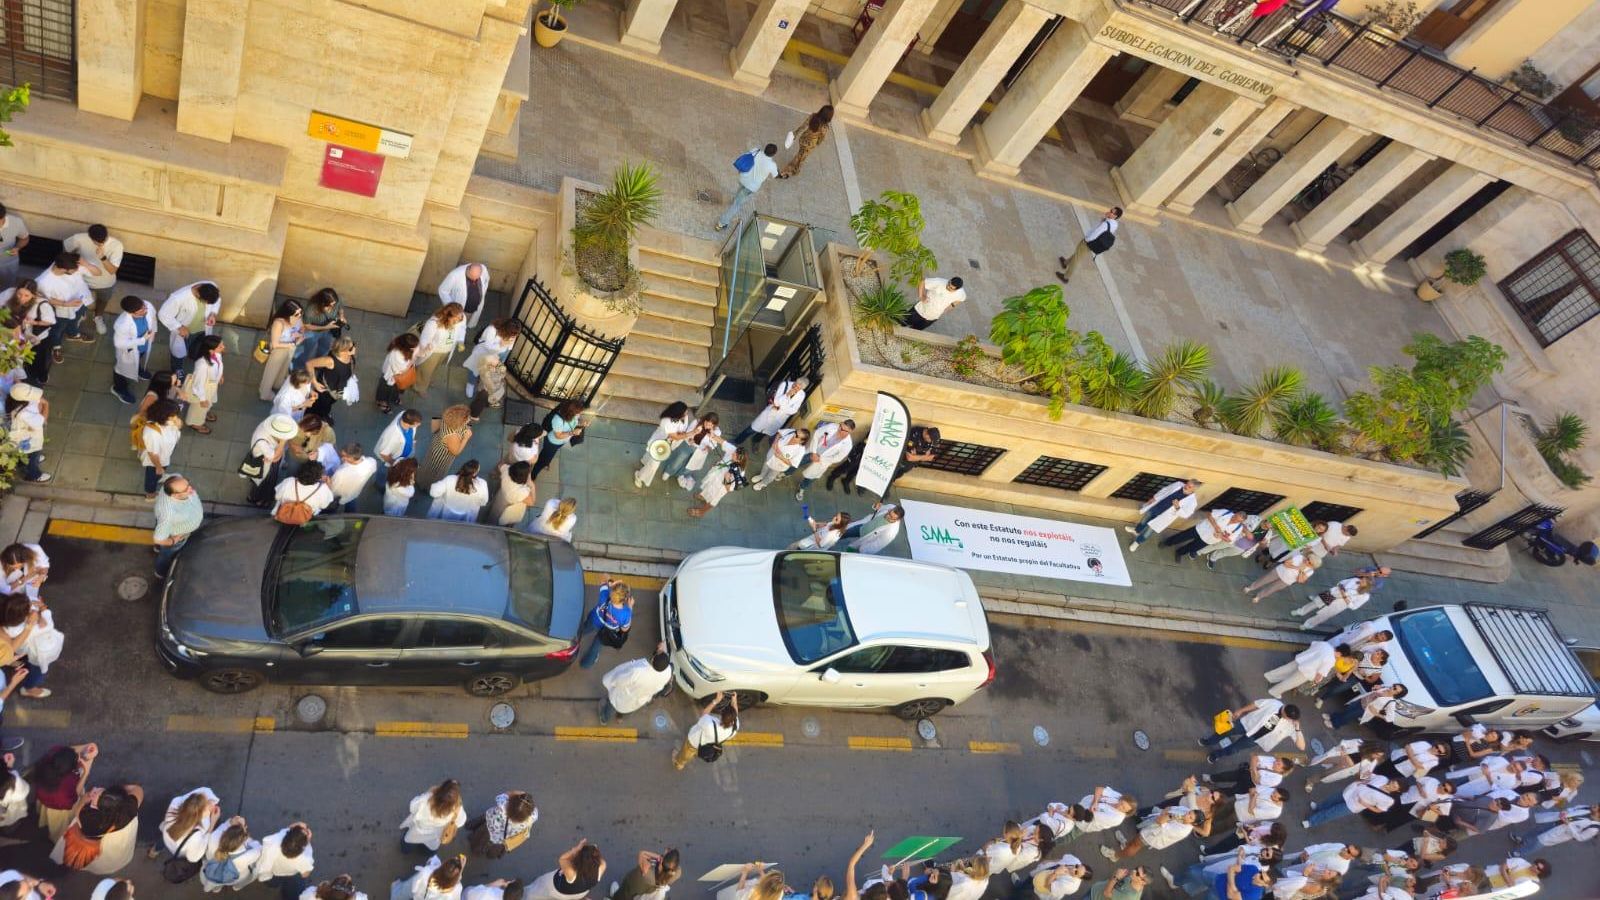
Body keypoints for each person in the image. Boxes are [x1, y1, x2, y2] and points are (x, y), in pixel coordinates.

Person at [50, 782, 143, 874]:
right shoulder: (125, 814)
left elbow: (79, 807)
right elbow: (138, 790)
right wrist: (123, 788)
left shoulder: (87, 817)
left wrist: (87, 797)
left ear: (96, 805)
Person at [37, 250, 95, 367]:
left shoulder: (65, 264)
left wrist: (85, 263)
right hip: (62, 310)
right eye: (74, 270)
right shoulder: (44, 282)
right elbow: (46, 299)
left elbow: (96, 273)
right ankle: (56, 347)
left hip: (79, 302)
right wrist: (66, 304)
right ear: (65, 270)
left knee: (75, 320)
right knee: (57, 329)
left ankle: (73, 334)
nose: (77, 271)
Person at [1201, 699, 1304, 764]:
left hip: (1256, 739)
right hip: (1247, 724)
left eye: (1287, 718)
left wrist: (1298, 729)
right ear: (1285, 709)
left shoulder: (1290, 726)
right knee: (1225, 731)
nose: (1285, 718)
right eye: (1284, 714)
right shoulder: (1274, 703)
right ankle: (1209, 741)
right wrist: (1241, 711)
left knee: (1234, 749)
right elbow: (1256, 704)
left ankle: (1216, 755)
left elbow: (1301, 747)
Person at [63, 225, 122, 335]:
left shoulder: (116, 245)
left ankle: (98, 317)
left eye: (103, 241)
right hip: (82, 281)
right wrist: (74, 263)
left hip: (105, 283)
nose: (100, 244)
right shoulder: (79, 238)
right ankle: (81, 314)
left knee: (102, 300)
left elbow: (112, 270)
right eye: (96, 242)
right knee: (79, 301)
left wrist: (103, 258)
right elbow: (66, 249)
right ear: (90, 237)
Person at [157, 281, 221, 376]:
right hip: (185, 332)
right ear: (198, 295)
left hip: (203, 329)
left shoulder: (211, 286)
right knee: (178, 354)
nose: (207, 305)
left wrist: (213, 314)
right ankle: (177, 370)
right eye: (206, 303)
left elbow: (217, 300)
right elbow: (163, 314)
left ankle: (193, 356)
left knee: (197, 348)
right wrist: (179, 327)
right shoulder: (178, 297)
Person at [600, 642, 673, 724]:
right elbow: (663, 661)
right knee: (628, 709)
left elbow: (619, 681)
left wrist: (611, 682)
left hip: (623, 696)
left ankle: (604, 719)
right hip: (639, 700)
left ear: (652, 660)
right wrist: (661, 650)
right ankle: (619, 718)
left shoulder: (638, 672)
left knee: (612, 705)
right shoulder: (668, 672)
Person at [717, 143, 779, 232]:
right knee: (736, 205)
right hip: (751, 187)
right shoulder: (772, 165)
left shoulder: (756, 150)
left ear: (765, 148)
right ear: (774, 154)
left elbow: (745, 157)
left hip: (743, 178)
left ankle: (735, 199)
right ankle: (721, 223)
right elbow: (776, 175)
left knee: (740, 191)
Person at [1303, 772, 1399, 829]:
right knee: (1331, 801)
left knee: (1331, 813)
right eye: (1393, 782)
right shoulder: (1383, 779)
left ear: (1397, 790)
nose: (1391, 785)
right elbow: (1369, 776)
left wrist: (1366, 804)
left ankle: (1312, 822)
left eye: (1394, 786)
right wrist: (1364, 777)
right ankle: (1319, 808)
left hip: (1354, 805)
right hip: (1351, 791)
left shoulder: (1389, 800)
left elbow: (1379, 810)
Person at [1263, 641, 1357, 698]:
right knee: (1289, 683)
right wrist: (1316, 681)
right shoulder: (1331, 660)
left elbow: (1313, 645)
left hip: (1302, 659)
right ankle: (1274, 691)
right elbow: (1320, 673)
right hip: (1307, 672)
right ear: (1341, 654)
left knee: (1284, 670)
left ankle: (1270, 676)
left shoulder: (1325, 645)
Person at [731, 377, 808, 447]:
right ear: (795, 381)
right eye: (795, 385)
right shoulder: (785, 384)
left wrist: (782, 407)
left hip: (780, 418)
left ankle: (755, 441)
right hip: (770, 412)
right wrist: (787, 395)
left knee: (765, 432)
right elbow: (776, 402)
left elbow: (794, 410)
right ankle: (737, 441)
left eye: (799, 388)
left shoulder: (802, 394)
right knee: (752, 428)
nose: (796, 388)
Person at [1125, 479, 1199, 552]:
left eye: (1189, 487)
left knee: (1149, 530)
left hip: (1165, 517)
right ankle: (1136, 530)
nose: (1186, 486)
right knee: (1145, 519)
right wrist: (1154, 498)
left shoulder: (1192, 502)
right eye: (1187, 484)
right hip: (1157, 506)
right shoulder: (1178, 484)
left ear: (1193, 490)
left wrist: (1177, 507)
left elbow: (1186, 515)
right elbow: (1165, 490)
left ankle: (1137, 542)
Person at [160, 786, 221, 873]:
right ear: (199, 815)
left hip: (167, 835)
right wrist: (213, 823)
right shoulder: (196, 835)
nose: (211, 805)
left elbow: (202, 791)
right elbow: (193, 858)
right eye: (208, 807)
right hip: (179, 852)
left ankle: (154, 851)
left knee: (160, 842)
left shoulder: (176, 802)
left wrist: (207, 802)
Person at [153, 476, 204, 579]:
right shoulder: (169, 514)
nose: (191, 489)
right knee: (166, 556)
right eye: (186, 489)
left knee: (161, 537)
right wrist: (173, 540)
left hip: (168, 526)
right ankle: (160, 572)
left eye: (188, 484)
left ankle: (157, 548)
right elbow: (158, 539)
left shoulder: (176, 481)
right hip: (176, 535)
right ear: (176, 495)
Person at [635, 401, 695, 488]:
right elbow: (675, 437)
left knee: (650, 458)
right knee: (653, 466)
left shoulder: (683, 417)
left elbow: (681, 430)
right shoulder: (666, 421)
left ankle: (644, 461)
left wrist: (684, 434)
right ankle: (639, 476)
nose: (686, 414)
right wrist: (691, 433)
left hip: (666, 444)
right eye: (685, 412)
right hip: (659, 444)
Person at [245, 414, 300, 507]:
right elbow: (275, 458)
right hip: (264, 464)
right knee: (265, 481)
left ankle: (254, 497)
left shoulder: (268, 427)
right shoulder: (262, 441)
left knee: (261, 481)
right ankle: (259, 498)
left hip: (267, 459)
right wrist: (282, 442)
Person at [659, 412, 725, 490]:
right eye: (707, 423)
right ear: (704, 420)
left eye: (710, 425)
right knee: (679, 459)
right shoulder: (696, 422)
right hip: (689, 445)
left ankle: (681, 475)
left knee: (691, 465)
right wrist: (691, 439)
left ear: (714, 425)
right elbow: (688, 432)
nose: (707, 426)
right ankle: (669, 471)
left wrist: (708, 448)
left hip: (700, 451)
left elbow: (714, 444)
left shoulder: (716, 432)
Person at [673, 691, 738, 770]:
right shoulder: (734, 728)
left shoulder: (709, 724)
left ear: (721, 716)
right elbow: (735, 714)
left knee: (686, 754)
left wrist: (716, 701)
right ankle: (693, 755)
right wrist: (734, 701)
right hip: (706, 746)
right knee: (695, 752)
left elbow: (704, 714)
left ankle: (679, 763)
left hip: (693, 741)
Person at [110, 295, 156, 404]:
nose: (145, 310)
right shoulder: (122, 324)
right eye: (141, 310)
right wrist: (142, 340)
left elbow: (153, 318)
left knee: (139, 357)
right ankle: (119, 389)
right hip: (129, 351)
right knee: (120, 369)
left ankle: (137, 369)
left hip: (142, 347)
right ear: (132, 313)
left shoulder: (147, 305)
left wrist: (154, 332)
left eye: (144, 306)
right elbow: (119, 343)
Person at [794, 419, 854, 501]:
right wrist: (814, 453)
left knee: (812, 476)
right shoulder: (832, 426)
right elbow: (816, 434)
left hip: (823, 461)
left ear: (849, 432)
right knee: (797, 462)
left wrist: (821, 458)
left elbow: (838, 458)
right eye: (840, 426)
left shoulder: (848, 444)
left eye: (844, 430)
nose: (840, 429)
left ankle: (802, 488)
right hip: (813, 451)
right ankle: (785, 473)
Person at [1057, 208, 1121, 285]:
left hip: (1089, 242)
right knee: (1078, 254)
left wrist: (1086, 240)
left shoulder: (1105, 224)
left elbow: (1096, 233)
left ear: (1115, 216)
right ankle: (1065, 262)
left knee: (1076, 259)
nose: (1109, 212)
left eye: (1112, 212)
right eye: (1111, 210)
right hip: (1095, 243)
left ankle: (1066, 277)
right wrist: (1106, 218)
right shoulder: (1115, 224)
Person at [401, 780, 467, 855]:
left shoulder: (427, 799)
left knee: (408, 841)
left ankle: (406, 851)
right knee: (430, 847)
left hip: (419, 830)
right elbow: (460, 822)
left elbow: (412, 807)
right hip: (435, 835)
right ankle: (424, 853)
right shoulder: (457, 810)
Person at [579, 578, 633, 669]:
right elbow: (625, 629)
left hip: (595, 620)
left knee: (583, 630)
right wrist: (630, 607)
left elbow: (603, 579)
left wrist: (612, 583)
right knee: (596, 647)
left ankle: (573, 640)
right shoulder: (626, 613)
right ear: (625, 599)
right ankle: (586, 663)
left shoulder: (605, 595)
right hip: (607, 631)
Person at [199, 814, 262, 892]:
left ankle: (216, 889)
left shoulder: (214, 837)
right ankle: (236, 887)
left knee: (213, 884)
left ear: (225, 833)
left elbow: (222, 828)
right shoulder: (248, 855)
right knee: (245, 877)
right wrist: (246, 835)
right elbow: (258, 847)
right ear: (244, 838)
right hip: (230, 878)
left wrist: (231, 823)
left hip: (210, 871)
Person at [133, 399, 182, 499]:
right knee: (151, 477)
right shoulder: (152, 433)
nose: (176, 418)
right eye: (173, 416)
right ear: (164, 415)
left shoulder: (167, 421)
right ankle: (150, 494)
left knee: (159, 472)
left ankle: (159, 476)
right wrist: (158, 467)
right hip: (155, 461)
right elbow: (153, 454)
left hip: (165, 454)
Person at [468, 791, 537, 860]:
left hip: (490, 828)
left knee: (479, 840)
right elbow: (534, 811)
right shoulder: (531, 818)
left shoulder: (503, 804)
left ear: (511, 802)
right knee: (495, 849)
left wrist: (520, 794)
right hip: (502, 838)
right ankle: (490, 854)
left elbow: (509, 793)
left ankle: (476, 850)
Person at [258, 300, 304, 401]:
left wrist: (299, 335)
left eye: (301, 312)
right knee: (270, 373)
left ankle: (277, 384)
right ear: (288, 313)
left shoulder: (298, 319)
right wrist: (294, 343)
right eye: (297, 313)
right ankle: (264, 393)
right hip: (279, 350)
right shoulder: (279, 323)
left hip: (290, 348)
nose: (300, 315)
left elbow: (301, 329)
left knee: (283, 369)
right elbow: (275, 344)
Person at [1291, 575, 1374, 630]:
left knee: (1322, 615)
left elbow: (1354, 607)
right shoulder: (1355, 580)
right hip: (1333, 593)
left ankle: (1307, 625)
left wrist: (1344, 596)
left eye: (1364, 581)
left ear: (1367, 586)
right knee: (1316, 602)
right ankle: (1300, 611)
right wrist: (1340, 587)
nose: (1361, 580)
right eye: (1363, 578)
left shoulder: (1365, 596)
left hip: (1340, 604)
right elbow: (1341, 582)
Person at [526, 840, 604, 900]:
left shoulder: (572, 874)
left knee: (537, 890)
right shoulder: (602, 866)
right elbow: (598, 859)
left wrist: (576, 849)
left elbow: (563, 859)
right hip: (579, 893)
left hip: (555, 888)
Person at [530, 400, 586, 482]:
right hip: (553, 442)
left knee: (550, 454)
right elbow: (558, 436)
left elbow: (575, 422)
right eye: (578, 413)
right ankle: (533, 475)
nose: (579, 414)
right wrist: (572, 433)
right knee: (543, 459)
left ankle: (546, 462)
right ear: (571, 412)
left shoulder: (573, 415)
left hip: (561, 442)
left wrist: (582, 423)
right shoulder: (558, 420)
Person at [416, 304, 466, 394]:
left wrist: (460, 341)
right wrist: (426, 347)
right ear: (447, 315)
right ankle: (420, 387)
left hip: (446, 350)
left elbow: (462, 329)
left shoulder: (460, 318)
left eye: (459, 319)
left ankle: (428, 380)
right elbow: (424, 339)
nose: (457, 322)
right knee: (425, 370)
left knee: (435, 368)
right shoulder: (433, 323)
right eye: (455, 320)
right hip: (433, 352)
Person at [1163, 509, 1246, 563]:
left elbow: (1230, 540)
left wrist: (1221, 537)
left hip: (1209, 539)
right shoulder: (1225, 512)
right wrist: (1215, 526)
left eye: (1237, 521)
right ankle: (1167, 543)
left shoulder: (1238, 527)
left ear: (1241, 522)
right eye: (1235, 517)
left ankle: (1179, 552)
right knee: (1182, 537)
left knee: (1192, 547)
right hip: (1201, 529)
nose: (1234, 520)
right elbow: (1209, 514)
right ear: (1235, 513)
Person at [463, 318, 519, 399]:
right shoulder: (492, 329)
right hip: (483, 353)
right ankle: (470, 383)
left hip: (500, 354)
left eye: (515, 335)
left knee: (489, 372)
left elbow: (509, 347)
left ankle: (481, 385)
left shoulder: (512, 333)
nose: (513, 336)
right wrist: (501, 345)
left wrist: (502, 359)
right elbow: (488, 346)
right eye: (511, 334)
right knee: (475, 368)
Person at [305, 337, 357, 423]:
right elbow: (309, 364)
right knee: (318, 407)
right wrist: (314, 382)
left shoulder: (350, 355)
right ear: (343, 350)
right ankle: (314, 420)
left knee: (330, 402)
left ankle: (324, 414)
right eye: (351, 348)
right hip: (326, 391)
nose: (354, 348)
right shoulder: (330, 361)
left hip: (338, 388)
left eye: (354, 345)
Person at [420, 406, 474, 487]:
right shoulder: (451, 435)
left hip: (437, 443)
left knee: (428, 466)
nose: (469, 419)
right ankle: (427, 485)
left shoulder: (449, 418)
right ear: (459, 420)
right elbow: (456, 452)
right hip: (441, 456)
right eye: (466, 418)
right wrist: (466, 438)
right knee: (434, 471)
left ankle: (422, 477)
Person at [7, 383, 50, 483]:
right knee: (35, 451)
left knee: (26, 452)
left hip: (24, 436)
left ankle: (24, 462)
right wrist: (46, 404)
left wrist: (38, 404)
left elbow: (35, 405)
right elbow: (42, 420)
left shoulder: (17, 402)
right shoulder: (23, 413)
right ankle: (34, 475)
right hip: (29, 438)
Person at [687, 447, 747, 518]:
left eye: (735, 454)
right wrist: (717, 464)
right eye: (734, 452)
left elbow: (729, 489)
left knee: (712, 501)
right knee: (707, 488)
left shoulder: (739, 474)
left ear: (738, 460)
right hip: (715, 479)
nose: (733, 453)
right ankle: (703, 496)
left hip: (720, 488)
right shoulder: (732, 459)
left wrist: (727, 479)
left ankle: (701, 512)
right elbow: (723, 462)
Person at [183, 335, 225, 433]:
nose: (223, 347)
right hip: (203, 389)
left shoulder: (216, 354)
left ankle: (204, 413)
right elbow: (198, 384)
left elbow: (219, 364)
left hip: (211, 385)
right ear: (211, 350)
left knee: (207, 405)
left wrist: (220, 375)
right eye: (220, 346)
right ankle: (195, 423)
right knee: (198, 408)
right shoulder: (202, 365)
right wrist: (202, 399)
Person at [294, 288, 345, 370]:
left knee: (324, 348)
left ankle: (318, 364)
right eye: (330, 305)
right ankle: (296, 368)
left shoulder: (335, 301)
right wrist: (326, 327)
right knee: (304, 351)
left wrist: (342, 317)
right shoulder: (311, 310)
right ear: (322, 303)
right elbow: (307, 325)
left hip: (328, 332)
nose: (333, 307)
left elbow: (340, 308)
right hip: (313, 332)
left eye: (334, 304)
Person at [778, 105, 832, 179]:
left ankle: (794, 170)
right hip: (810, 145)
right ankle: (787, 171)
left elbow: (803, 126)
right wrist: (817, 143)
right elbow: (821, 138)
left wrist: (796, 133)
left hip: (803, 139)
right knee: (800, 158)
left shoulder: (813, 116)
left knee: (800, 155)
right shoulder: (825, 127)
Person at [254, 822, 315, 888]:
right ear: (303, 845)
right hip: (289, 873)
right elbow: (305, 875)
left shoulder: (276, 839)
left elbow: (288, 829)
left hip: (273, 872)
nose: (307, 830)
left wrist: (298, 823)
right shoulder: (306, 857)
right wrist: (308, 842)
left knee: (274, 883)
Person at [1242, 552, 1317, 604]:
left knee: (1272, 589)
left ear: (1313, 565)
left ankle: (1259, 596)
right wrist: (1297, 567)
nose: (1307, 561)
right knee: (1264, 580)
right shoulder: (1300, 557)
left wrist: (1301, 571)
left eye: (1309, 562)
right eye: (1308, 559)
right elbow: (1286, 563)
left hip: (1286, 581)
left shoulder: (1310, 571)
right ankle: (1250, 588)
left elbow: (1300, 580)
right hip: (1279, 571)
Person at [749, 427, 808, 491]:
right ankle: (761, 475)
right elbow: (779, 433)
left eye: (797, 436)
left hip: (780, 465)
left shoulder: (801, 450)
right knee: (765, 466)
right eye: (796, 432)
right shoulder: (791, 432)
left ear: (802, 441)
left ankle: (763, 483)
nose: (794, 435)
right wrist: (775, 442)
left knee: (771, 476)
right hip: (771, 455)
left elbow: (792, 463)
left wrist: (781, 457)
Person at [439, 262, 492, 330]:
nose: (474, 280)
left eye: (477, 278)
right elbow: (443, 290)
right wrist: (452, 307)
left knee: (463, 327)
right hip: (458, 310)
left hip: (472, 311)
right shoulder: (455, 274)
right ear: (468, 270)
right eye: (472, 278)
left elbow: (486, 280)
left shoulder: (483, 269)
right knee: (451, 327)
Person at [613, 848, 680, 900]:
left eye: (667, 851)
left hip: (633, 887)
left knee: (624, 893)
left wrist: (659, 857)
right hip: (648, 891)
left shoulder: (646, 870)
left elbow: (642, 854)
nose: (666, 850)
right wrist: (661, 859)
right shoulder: (677, 872)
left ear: (661, 861)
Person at [378, 333, 420, 414]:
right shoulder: (396, 355)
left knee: (396, 389)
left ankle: (394, 397)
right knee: (385, 389)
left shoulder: (406, 348)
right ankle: (382, 403)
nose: (417, 348)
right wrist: (413, 360)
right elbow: (402, 370)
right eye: (414, 347)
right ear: (407, 348)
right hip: (391, 376)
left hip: (398, 375)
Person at [393, 854, 466, 900]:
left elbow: (414, 886)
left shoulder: (427, 872)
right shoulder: (457, 889)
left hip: (420, 896)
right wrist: (461, 869)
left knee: (405, 890)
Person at [330, 444, 377, 512]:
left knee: (331, 510)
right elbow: (373, 469)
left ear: (351, 458)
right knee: (351, 509)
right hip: (355, 493)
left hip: (339, 496)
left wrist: (329, 483)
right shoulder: (372, 461)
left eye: (344, 456)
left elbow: (332, 488)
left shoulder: (341, 472)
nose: (342, 458)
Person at [490, 461, 538, 528]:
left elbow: (500, 465)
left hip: (501, 496)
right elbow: (532, 502)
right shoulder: (521, 492)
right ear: (523, 477)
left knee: (494, 515)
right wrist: (532, 485)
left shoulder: (506, 470)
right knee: (506, 519)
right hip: (509, 505)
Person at [0, 203, 28, 290]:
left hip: (8, 262)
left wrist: (17, 248)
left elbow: (24, 238)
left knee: (7, 287)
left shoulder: (16, 222)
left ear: (3, 217)